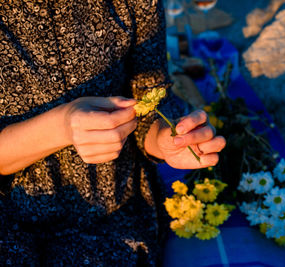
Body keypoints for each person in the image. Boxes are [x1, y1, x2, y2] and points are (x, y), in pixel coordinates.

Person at [0, 0, 226, 265]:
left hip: (114, 214)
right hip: (9, 214)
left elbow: (151, 96)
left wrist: (164, 139)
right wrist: (60, 127)